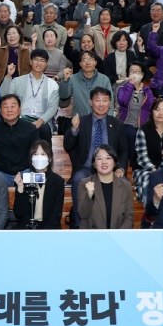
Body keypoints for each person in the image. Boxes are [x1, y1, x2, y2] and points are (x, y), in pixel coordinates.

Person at [64, 87, 129, 229]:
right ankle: (79, 225)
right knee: (78, 179)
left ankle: (118, 226)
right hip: (87, 168)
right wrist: (74, 129)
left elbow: (124, 150)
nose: (101, 104)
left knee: (124, 182)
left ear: (110, 103)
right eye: (97, 100)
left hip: (111, 169)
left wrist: (121, 169)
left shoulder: (117, 124)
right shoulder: (81, 121)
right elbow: (67, 145)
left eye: (105, 100)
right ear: (90, 102)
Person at [1, 48, 60, 143]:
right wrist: (8, 76)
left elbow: (53, 108)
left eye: (42, 60)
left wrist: (40, 121)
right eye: (36, 59)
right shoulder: (18, 81)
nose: (39, 63)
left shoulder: (52, 84)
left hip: (41, 121)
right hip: (21, 119)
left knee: (44, 130)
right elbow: (4, 96)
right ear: (30, 61)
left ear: (46, 64)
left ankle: (46, 153)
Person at [0, 94, 39, 186]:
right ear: (0, 110)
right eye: (5, 107)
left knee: (37, 178)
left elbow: (36, 153)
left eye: (13, 106)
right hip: (1, 173)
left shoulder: (30, 128)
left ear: (20, 109)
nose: (9, 110)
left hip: (25, 172)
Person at [133, 97, 163, 209]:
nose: (160, 113)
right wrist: (155, 171)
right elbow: (142, 157)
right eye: (157, 109)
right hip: (145, 169)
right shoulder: (143, 130)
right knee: (150, 179)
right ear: (152, 111)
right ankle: (150, 212)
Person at [78, 145, 134, 229]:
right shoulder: (84, 184)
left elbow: (129, 218)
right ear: (94, 164)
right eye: (99, 158)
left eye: (108, 158)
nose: (104, 162)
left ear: (114, 163)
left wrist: (118, 235)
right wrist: (89, 195)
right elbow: (83, 214)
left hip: (118, 235)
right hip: (92, 235)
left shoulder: (126, 186)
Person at [12, 140, 65, 229]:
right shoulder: (25, 179)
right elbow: (18, 213)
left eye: (43, 154)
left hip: (48, 229)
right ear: (31, 158)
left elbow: (56, 214)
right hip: (26, 228)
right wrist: (20, 188)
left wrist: (42, 233)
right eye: (35, 154)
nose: (39, 157)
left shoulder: (57, 181)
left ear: (50, 158)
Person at [117, 60, 155, 175]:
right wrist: (130, 85)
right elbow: (123, 101)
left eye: (137, 72)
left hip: (142, 125)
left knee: (142, 134)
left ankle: (137, 170)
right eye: (131, 71)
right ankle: (127, 169)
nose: (134, 74)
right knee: (131, 134)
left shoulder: (147, 91)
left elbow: (151, 107)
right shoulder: (122, 88)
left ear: (142, 74)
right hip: (125, 123)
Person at [58, 51, 113, 118]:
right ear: (80, 63)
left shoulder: (104, 79)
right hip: (79, 119)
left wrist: (109, 119)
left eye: (90, 59)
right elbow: (63, 96)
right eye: (84, 60)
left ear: (95, 62)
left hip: (100, 119)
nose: (87, 63)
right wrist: (65, 80)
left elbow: (110, 101)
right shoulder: (73, 79)